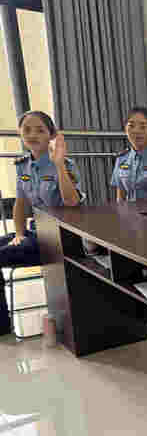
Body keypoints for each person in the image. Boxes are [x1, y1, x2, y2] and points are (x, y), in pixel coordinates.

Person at [1, 111, 83, 336]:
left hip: (59, 240)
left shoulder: (65, 164)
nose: (32, 135)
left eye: (40, 130)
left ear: (51, 135)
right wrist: (19, 234)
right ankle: (3, 325)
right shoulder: (22, 166)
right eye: (27, 130)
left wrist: (59, 165)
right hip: (35, 234)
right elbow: (20, 204)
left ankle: (1, 328)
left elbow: (72, 202)